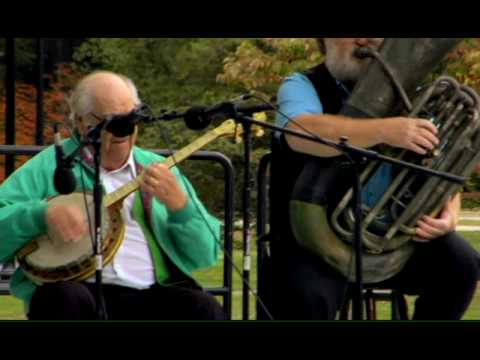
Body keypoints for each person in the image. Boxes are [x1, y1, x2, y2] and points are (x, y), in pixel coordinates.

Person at [267, 38, 480, 320]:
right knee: (305, 295)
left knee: (461, 264)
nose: (365, 38)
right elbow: (298, 131)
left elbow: (445, 161)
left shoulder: (413, 95)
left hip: (394, 242)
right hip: (311, 246)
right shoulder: (300, 85)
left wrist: (449, 211)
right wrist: (385, 130)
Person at [0, 71, 227, 320]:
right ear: (81, 122)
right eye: (112, 122)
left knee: (203, 307)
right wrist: (40, 215)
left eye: (130, 120)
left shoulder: (158, 168)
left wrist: (181, 208)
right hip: (77, 290)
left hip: (151, 294)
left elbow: (206, 256)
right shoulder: (51, 166)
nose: (123, 131)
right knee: (62, 298)